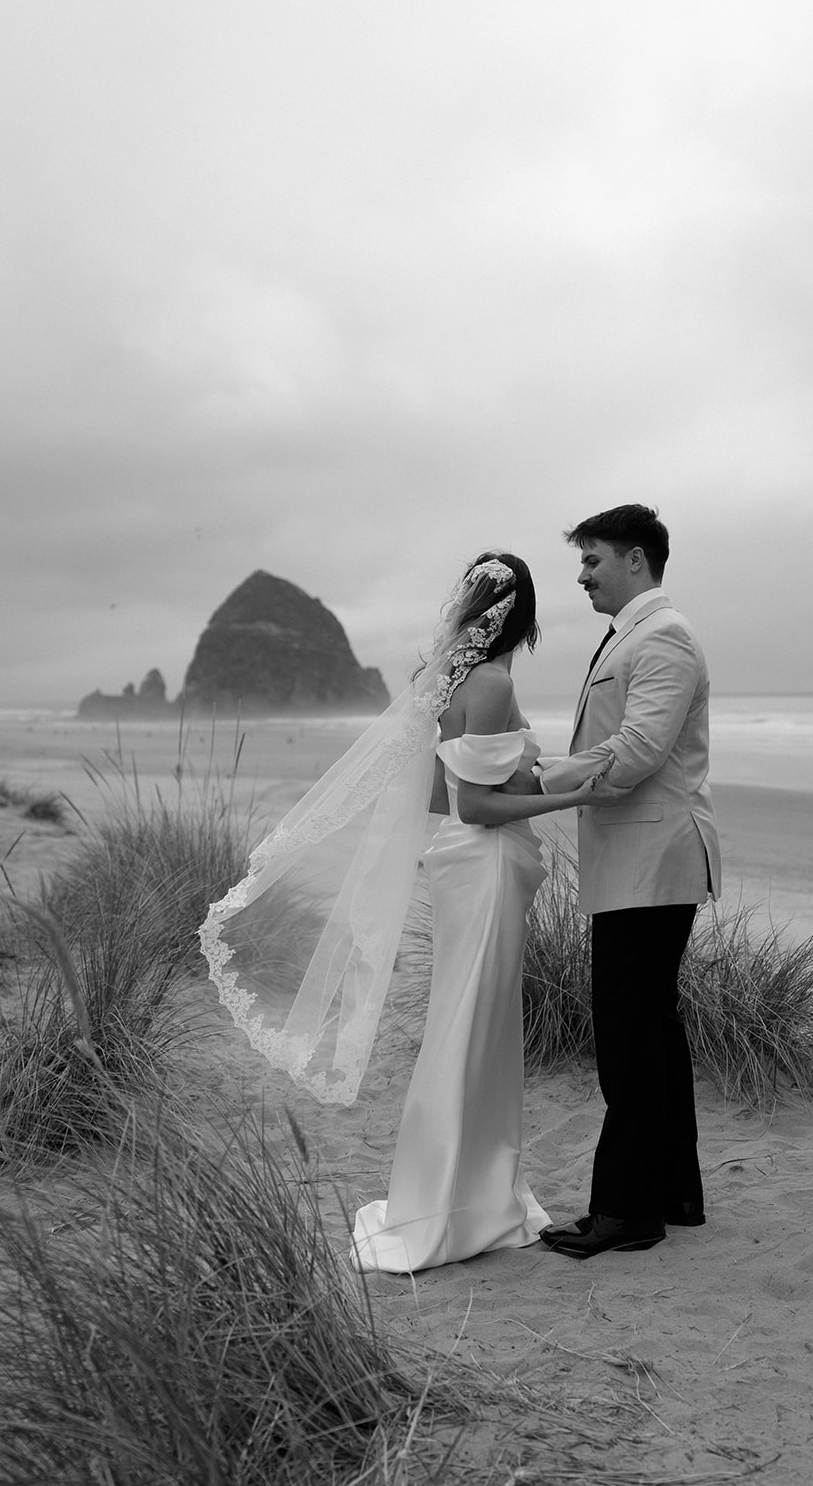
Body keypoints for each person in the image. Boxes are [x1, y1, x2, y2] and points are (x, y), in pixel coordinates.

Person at [199, 551, 616, 1274]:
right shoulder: (488, 682)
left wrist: (528, 776)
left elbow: (437, 796)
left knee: (472, 1030)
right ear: (523, 615)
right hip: (483, 870)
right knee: (470, 1035)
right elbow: (477, 805)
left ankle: (472, 1196)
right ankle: (459, 1206)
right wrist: (571, 797)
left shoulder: (455, 683)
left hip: (469, 869)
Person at [509, 504, 721, 1260]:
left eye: (592, 560)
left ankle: (625, 1212)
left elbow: (634, 754)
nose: (580, 574)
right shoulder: (634, 634)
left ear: (635, 560)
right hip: (637, 861)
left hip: (651, 862)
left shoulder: (663, 636)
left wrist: (538, 777)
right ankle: (670, 1195)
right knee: (651, 1032)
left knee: (629, 1038)